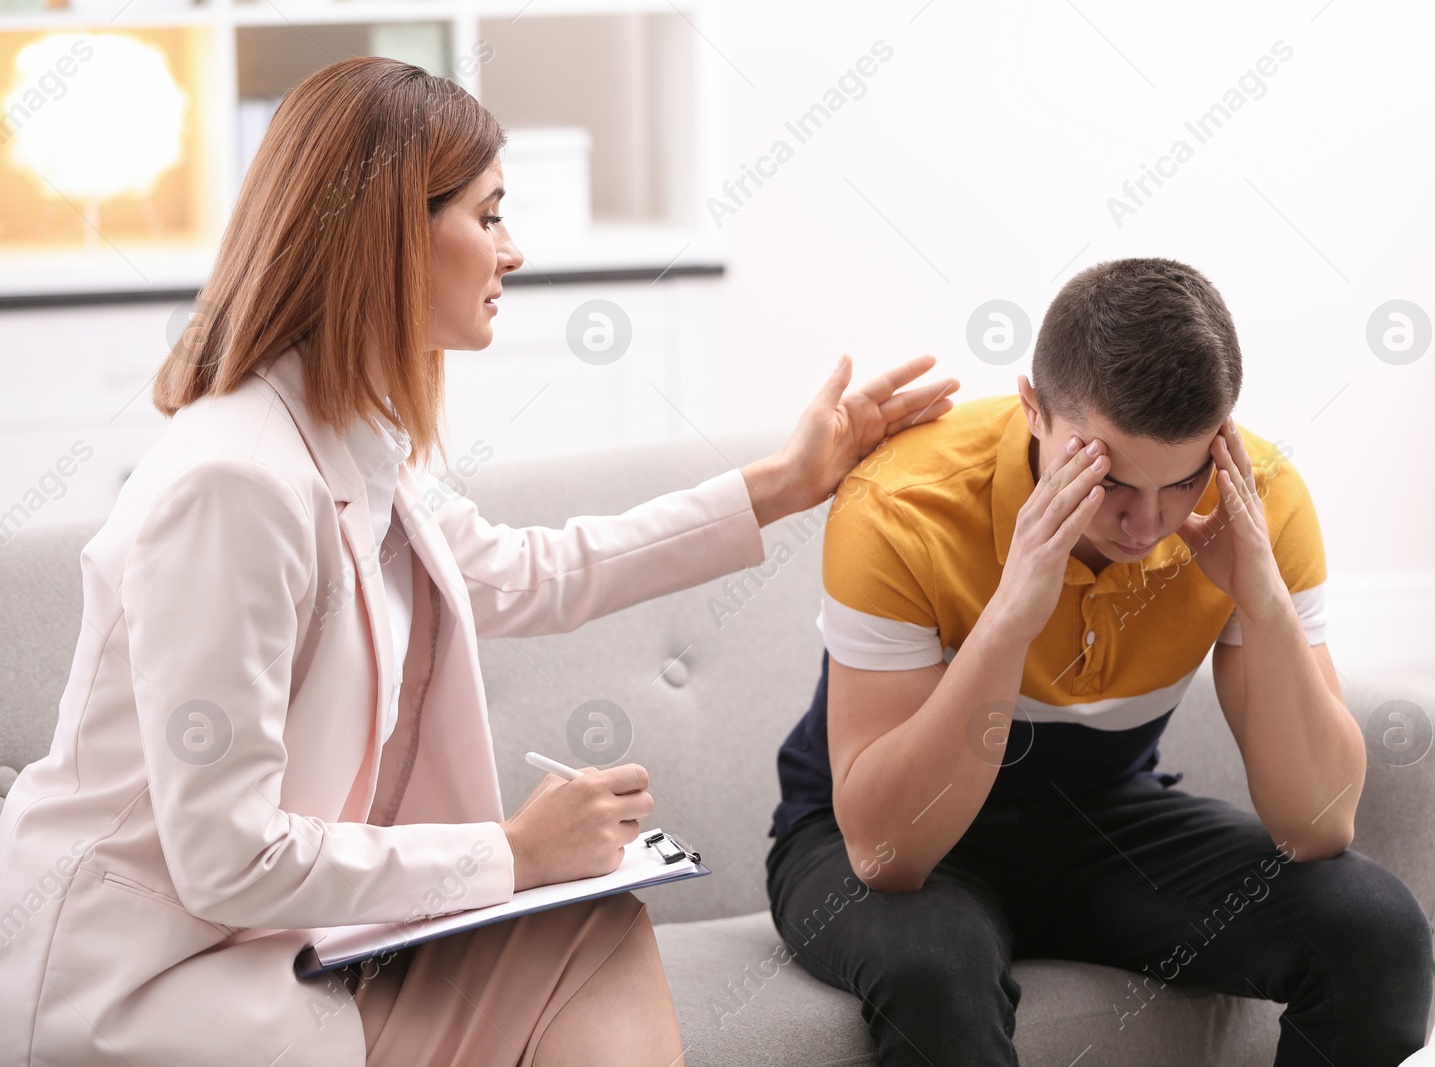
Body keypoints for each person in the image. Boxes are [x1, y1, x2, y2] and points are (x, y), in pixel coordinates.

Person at [0, 56, 958, 1067]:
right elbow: (223, 853)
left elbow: (533, 569)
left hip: (255, 954)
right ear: (392, 237)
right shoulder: (235, 484)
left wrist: (782, 483)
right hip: (137, 991)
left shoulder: (346, 446)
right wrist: (513, 851)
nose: (515, 250)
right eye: (489, 215)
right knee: (584, 932)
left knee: (593, 925)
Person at [765, 257, 1435, 1066]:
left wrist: (1263, 603)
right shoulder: (901, 501)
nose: (1144, 523)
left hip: (1101, 812)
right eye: (1107, 478)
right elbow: (887, 853)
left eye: (1181, 481)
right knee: (934, 967)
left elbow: (1319, 824)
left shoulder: (1256, 499)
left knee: (1376, 931)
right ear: (1033, 411)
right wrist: (1010, 617)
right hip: (867, 834)